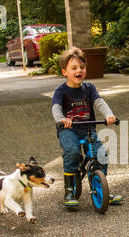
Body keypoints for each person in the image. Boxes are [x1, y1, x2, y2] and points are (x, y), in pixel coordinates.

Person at [51, 47, 123, 207]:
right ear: (64, 72)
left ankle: (102, 188)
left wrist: (109, 115)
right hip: (68, 130)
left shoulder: (89, 88)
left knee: (101, 156)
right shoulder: (61, 91)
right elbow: (56, 107)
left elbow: (99, 102)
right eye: (74, 68)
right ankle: (69, 190)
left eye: (82, 67)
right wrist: (61, 119)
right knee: (72, 152)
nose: (79, 71)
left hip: (88, 129)